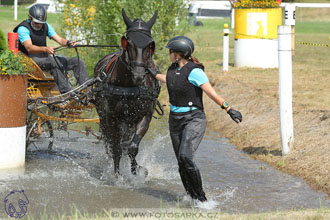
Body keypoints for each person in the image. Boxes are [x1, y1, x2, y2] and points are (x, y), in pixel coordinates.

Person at [148, 36, 242, 202]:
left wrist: (228, 109)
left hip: (193, 119)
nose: (169, 54)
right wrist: (154, 74)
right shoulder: (172, 69)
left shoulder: (195, 71)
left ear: (178, 54)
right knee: (181, 163)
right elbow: (170, 79)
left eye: (170, 52)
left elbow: (211, 93)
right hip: (175, 120)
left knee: (186, 157)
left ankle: (203, 200)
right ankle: (191, 197)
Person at [13, 4, 89, 94]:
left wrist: (68, 42)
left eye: (41, 23)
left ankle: (86, 90)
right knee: (53, 61)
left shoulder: (46, 26)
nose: (39, 25)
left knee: (77, 61)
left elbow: (60, 40)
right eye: (36, 22)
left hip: (45, 58)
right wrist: (45, 49)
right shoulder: (23, 29)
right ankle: (66, 93)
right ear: (30, 18)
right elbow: (29, 47)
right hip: (31, 61)